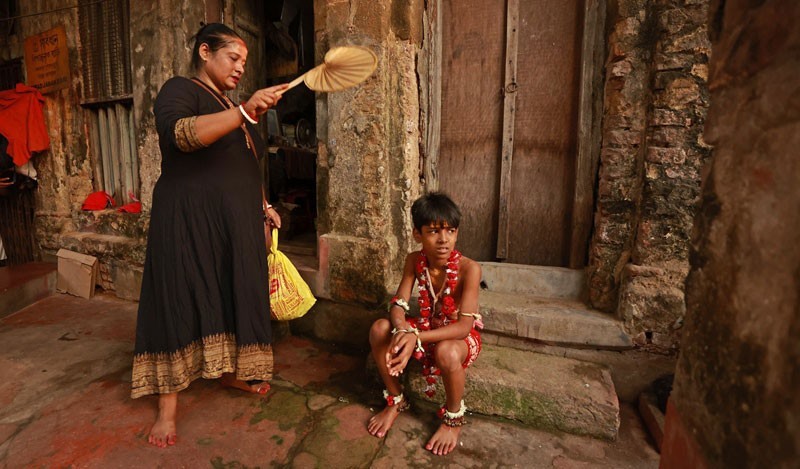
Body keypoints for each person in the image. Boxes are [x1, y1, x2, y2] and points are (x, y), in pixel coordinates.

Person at [130, 23, 287, 448]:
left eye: (244, 63)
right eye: (233, 58)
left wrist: (263, 205)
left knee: (233, 291)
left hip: (235, 221)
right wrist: (245, 112)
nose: (240, 68)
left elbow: (244, 160)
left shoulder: (230, 103)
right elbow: (182, 136)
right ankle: (167, 409)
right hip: (187, 218)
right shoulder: (178, 89)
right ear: (204, 51)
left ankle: (231, 372)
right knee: (178, 296)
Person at [367, 192, 484, 456]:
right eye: (433, 231)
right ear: (417, 234)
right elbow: (398, 303)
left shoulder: (470, 269)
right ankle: (396, 400)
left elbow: (464, 328)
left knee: (447, 351)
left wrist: (415, 337)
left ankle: (453, 420)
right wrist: (403, 329)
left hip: (457, 336)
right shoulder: (414, 260)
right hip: (424, 327)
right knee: (379, 329)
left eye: (450, 231)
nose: (444, 240)